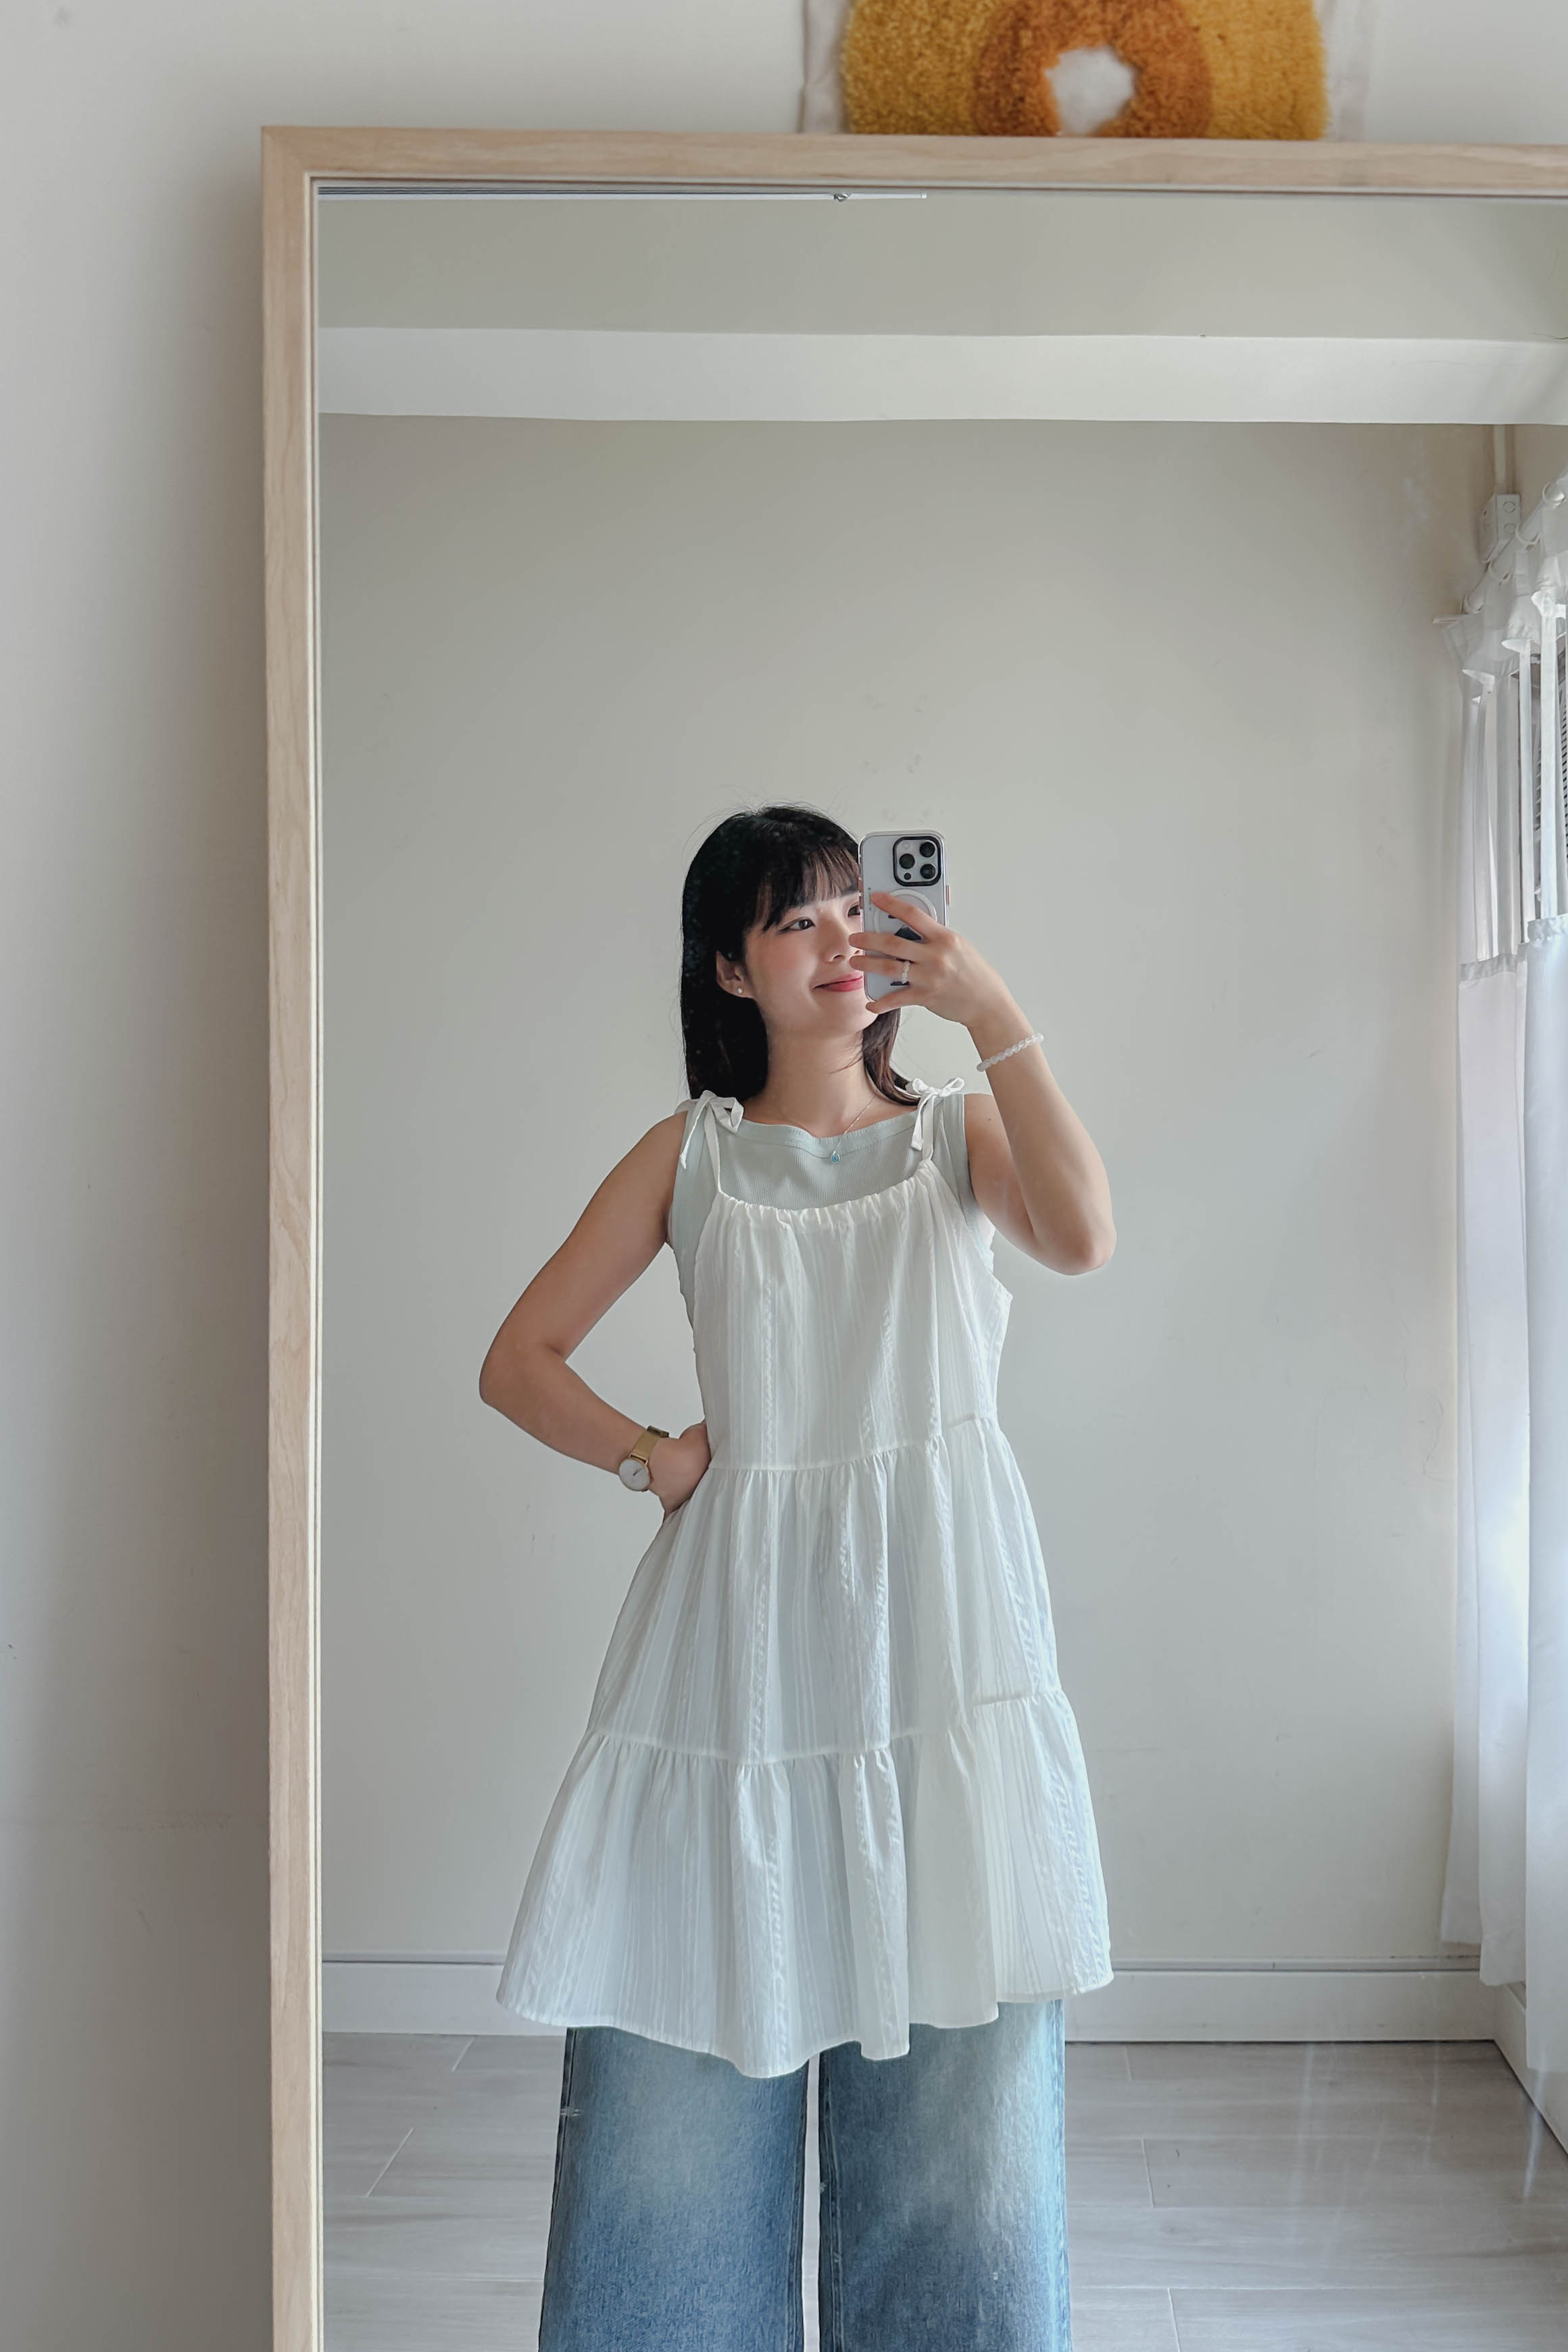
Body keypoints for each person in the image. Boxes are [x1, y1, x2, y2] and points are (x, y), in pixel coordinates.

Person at [479, 804, 1115, 2350]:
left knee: (959, 2088)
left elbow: (1083, 1238)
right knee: (685, 2037)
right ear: (728, 968)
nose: (836, 941)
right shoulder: (688, 1152)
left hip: (941, 1638)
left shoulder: (955, 1131)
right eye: (792, 920)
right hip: (738, 1646)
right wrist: (650, 1455)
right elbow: (520, 1359)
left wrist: (991, 1010)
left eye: (851, 910)